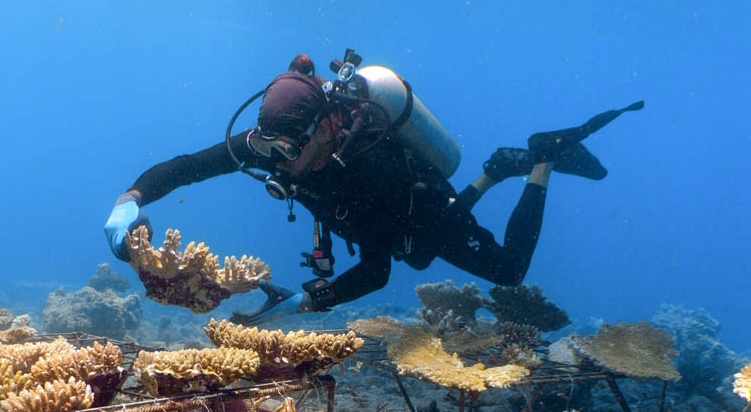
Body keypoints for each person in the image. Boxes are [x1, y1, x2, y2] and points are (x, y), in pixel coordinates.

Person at [104, 50, 642, 325]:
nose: (278, 164)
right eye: (267, 150)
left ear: (323, 129)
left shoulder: (363, 168)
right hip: (386, 224)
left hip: (416, 210)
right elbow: (188, 166)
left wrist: (302, 304)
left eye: (289, 152)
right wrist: (129, 202)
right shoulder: (274, 139)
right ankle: (497, 169)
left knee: (503, 270)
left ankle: (541, 158)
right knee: (422, 261)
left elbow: (377, 271)